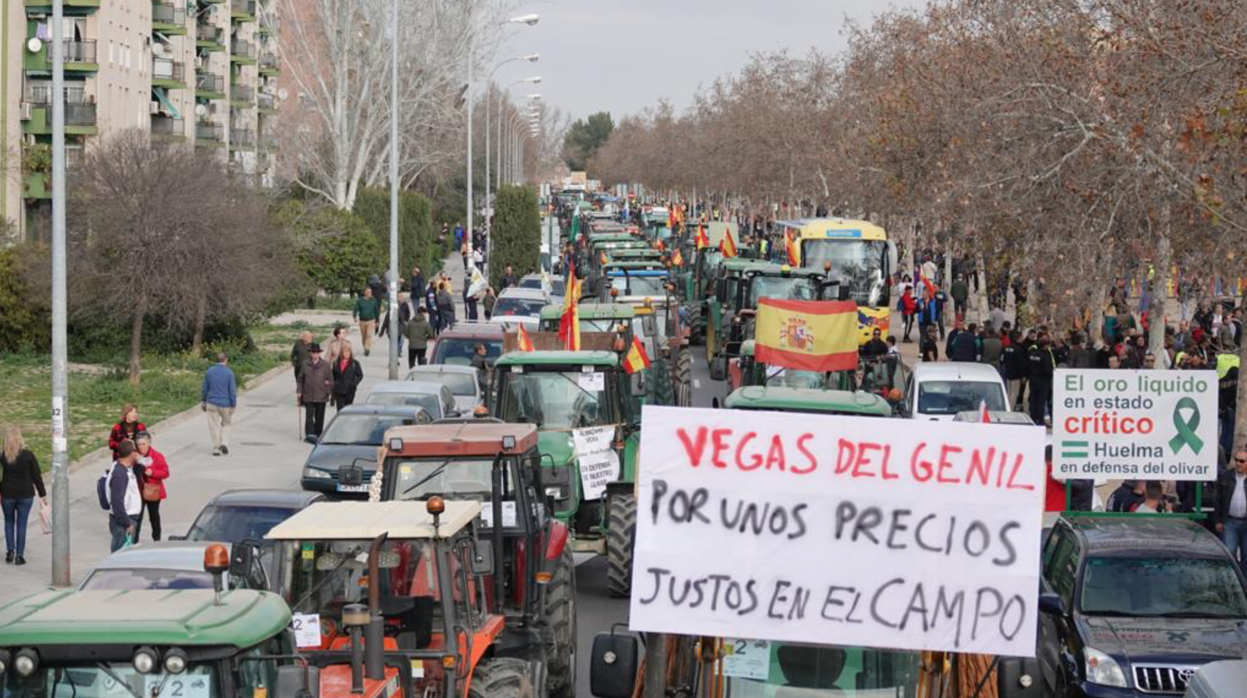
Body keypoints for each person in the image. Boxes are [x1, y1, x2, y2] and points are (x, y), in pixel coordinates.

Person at [1, 427, 46, 565]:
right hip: (26, 494)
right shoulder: (28, 455)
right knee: (21, 524)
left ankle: (10, 552)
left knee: (9, 522)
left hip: (7, 493)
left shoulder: (3, 455)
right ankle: (20, 556)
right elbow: (36, 476)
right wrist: (42, 494)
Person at [107, 440, 142, 553]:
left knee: (124, 556)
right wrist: (127, 524)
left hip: (126, 521)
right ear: (132, 453)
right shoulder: (120, 474)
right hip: (123, 523)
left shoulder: (123, 468)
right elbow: (117, 502)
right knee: (120, 556)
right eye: (135, 451)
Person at [1215, 450, 1247, 571]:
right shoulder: (1226, 476)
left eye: (1242, 461)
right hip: (1229, 522)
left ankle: (1243, 585)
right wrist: (1218, 520)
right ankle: (1231, 582)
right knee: (1228, 553)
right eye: (1236, 460)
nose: (1238, 463)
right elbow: (1217, 499)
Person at [133, 432, 168, 542]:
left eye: (144, 444)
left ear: (149, 443)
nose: (141, 447)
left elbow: (165, 473)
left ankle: (156, 539)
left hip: (153, 491)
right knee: (137, 517)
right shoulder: (134, 456)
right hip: (138, 492)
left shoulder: (157, 456)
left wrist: (152, 473)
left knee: (154, 517)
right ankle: (134, 541)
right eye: (139, 444)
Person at [201, 352, 237, 457]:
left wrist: (204, 401)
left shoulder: (209, 372)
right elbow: (232, 391)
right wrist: (233, 404)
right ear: (225, 360)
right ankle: (224, 443)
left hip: (211, 403)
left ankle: (216, 448)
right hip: (225, 404)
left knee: (214, 426)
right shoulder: (229, 373)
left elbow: (205, 389)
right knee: (226, 423)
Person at [297, 344, 333, 443]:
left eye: (317, 352)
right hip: (308, 394)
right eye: (313, 352)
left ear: (319, 353)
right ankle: (309, 435)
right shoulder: (305, 364)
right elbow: (300, 379)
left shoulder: (325, 365)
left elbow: (331, 380)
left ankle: (318, 435)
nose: (315, 354)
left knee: (319, 417)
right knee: (309, 417)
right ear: (310, 353)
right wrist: (299, 391)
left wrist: (328, 391)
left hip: (321, 395)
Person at [331, 344, 364, 411]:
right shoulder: (336, 363)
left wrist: (354, 383)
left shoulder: (355, 363)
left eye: (348, 352)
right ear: (341, 353)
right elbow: (333, 376)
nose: (347, 353)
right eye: (345, 352)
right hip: (339, 391)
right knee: (340, 410)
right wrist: (335, 384)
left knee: (348, 410)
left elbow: (360, 375)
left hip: (350, 391)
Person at [353, 287, 381, 356]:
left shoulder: (373, 300)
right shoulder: (360, 300)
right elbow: (355, 309)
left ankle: (367, 349)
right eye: (368, 292)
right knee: (364, 336)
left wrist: (377, 321)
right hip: (362, 321)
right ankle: (365, 347)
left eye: (370, 292)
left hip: (371, 321)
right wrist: (354, 316)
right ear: (365, 292)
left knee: (368, 335)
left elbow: (377, 311)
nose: (370, 293)